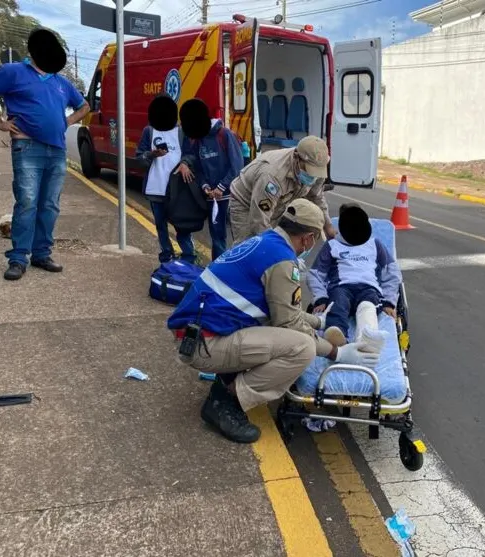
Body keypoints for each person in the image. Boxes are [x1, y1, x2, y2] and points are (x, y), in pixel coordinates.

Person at [167, 199, 383, 444]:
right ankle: (227, 402)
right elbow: (288, 323)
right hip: (204, 345)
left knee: (287, 332)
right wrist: (337, 353)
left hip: (197, 334)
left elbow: (280, 308)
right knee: (303, 348)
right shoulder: (282, 262)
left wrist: (319, 322)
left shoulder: (266, 242)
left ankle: (227, 380)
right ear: (308, 238)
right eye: (313, 240)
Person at [0, 28, 90, 280]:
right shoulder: (13, 72)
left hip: (56, 151)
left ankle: (41, 254)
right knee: (27, 203)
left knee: (50, 205)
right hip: (28, 149)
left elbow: (84, 106)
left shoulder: (61, 82)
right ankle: (17, 258)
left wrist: (65, 121)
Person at [308, 203, 402, 347]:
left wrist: (389, 301)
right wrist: (320, 297)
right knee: (338, 302)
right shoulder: (332, 245)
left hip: (369, 288)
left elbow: (391, 272)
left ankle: (367, 337)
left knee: (368, 305)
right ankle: (337, 334)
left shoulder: (374, 244)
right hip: (341, 287)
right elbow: (315, 274)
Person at [228, 136, 337, 245]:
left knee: (276, 245)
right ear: (297, 158)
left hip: (277, 204)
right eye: (309, 170)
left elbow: (316, 197)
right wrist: (276, 248)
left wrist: (328, 226)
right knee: (248, 246)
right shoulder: (273, 175)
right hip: (245, 202)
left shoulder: (318, 169)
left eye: (316, 172)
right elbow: (259, 219)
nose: (312, 176)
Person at [178, 98, 244, 260]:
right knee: (216, 235)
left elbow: (237, 165)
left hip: (228, 195)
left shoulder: (224, 134)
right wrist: (205, 186)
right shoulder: (198, 140)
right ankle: (216, 269)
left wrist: (221, 187)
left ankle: (222, 270)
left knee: (227, 236)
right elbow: (199, 168)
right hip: (211, 197)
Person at [135, 94, 196, 264]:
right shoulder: (149, 131)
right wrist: (152, 154)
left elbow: (192, 154)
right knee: (161, 227)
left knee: (182, 227)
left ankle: (189, 258)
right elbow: (139, 158)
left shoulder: (181, 132)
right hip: (156, 190)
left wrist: (185, 162)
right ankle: (166, 258)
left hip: (178, 191)